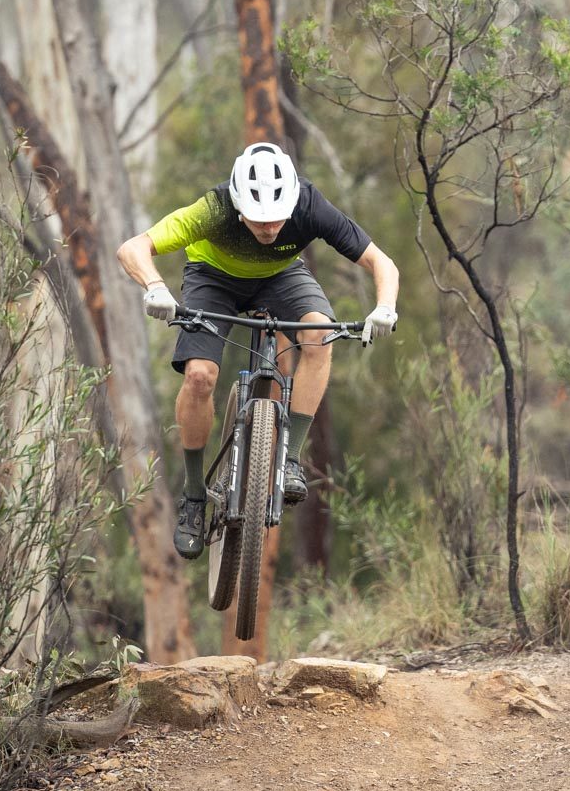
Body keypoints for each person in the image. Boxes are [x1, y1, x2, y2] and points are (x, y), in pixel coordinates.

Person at [117, 141, 400, 560]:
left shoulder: (309, 205)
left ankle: (287, 461)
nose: (269, 228)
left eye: (276, 219)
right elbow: (132, 248)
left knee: (319, 335)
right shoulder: (214, 209)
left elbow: (382, 263)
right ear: (237, 204)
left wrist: (384, 307)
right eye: (257, 219)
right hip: (213, 279)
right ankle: (194, 495)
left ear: (291, 204)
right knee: (199, 377)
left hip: (282, 276)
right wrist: (155, 287)